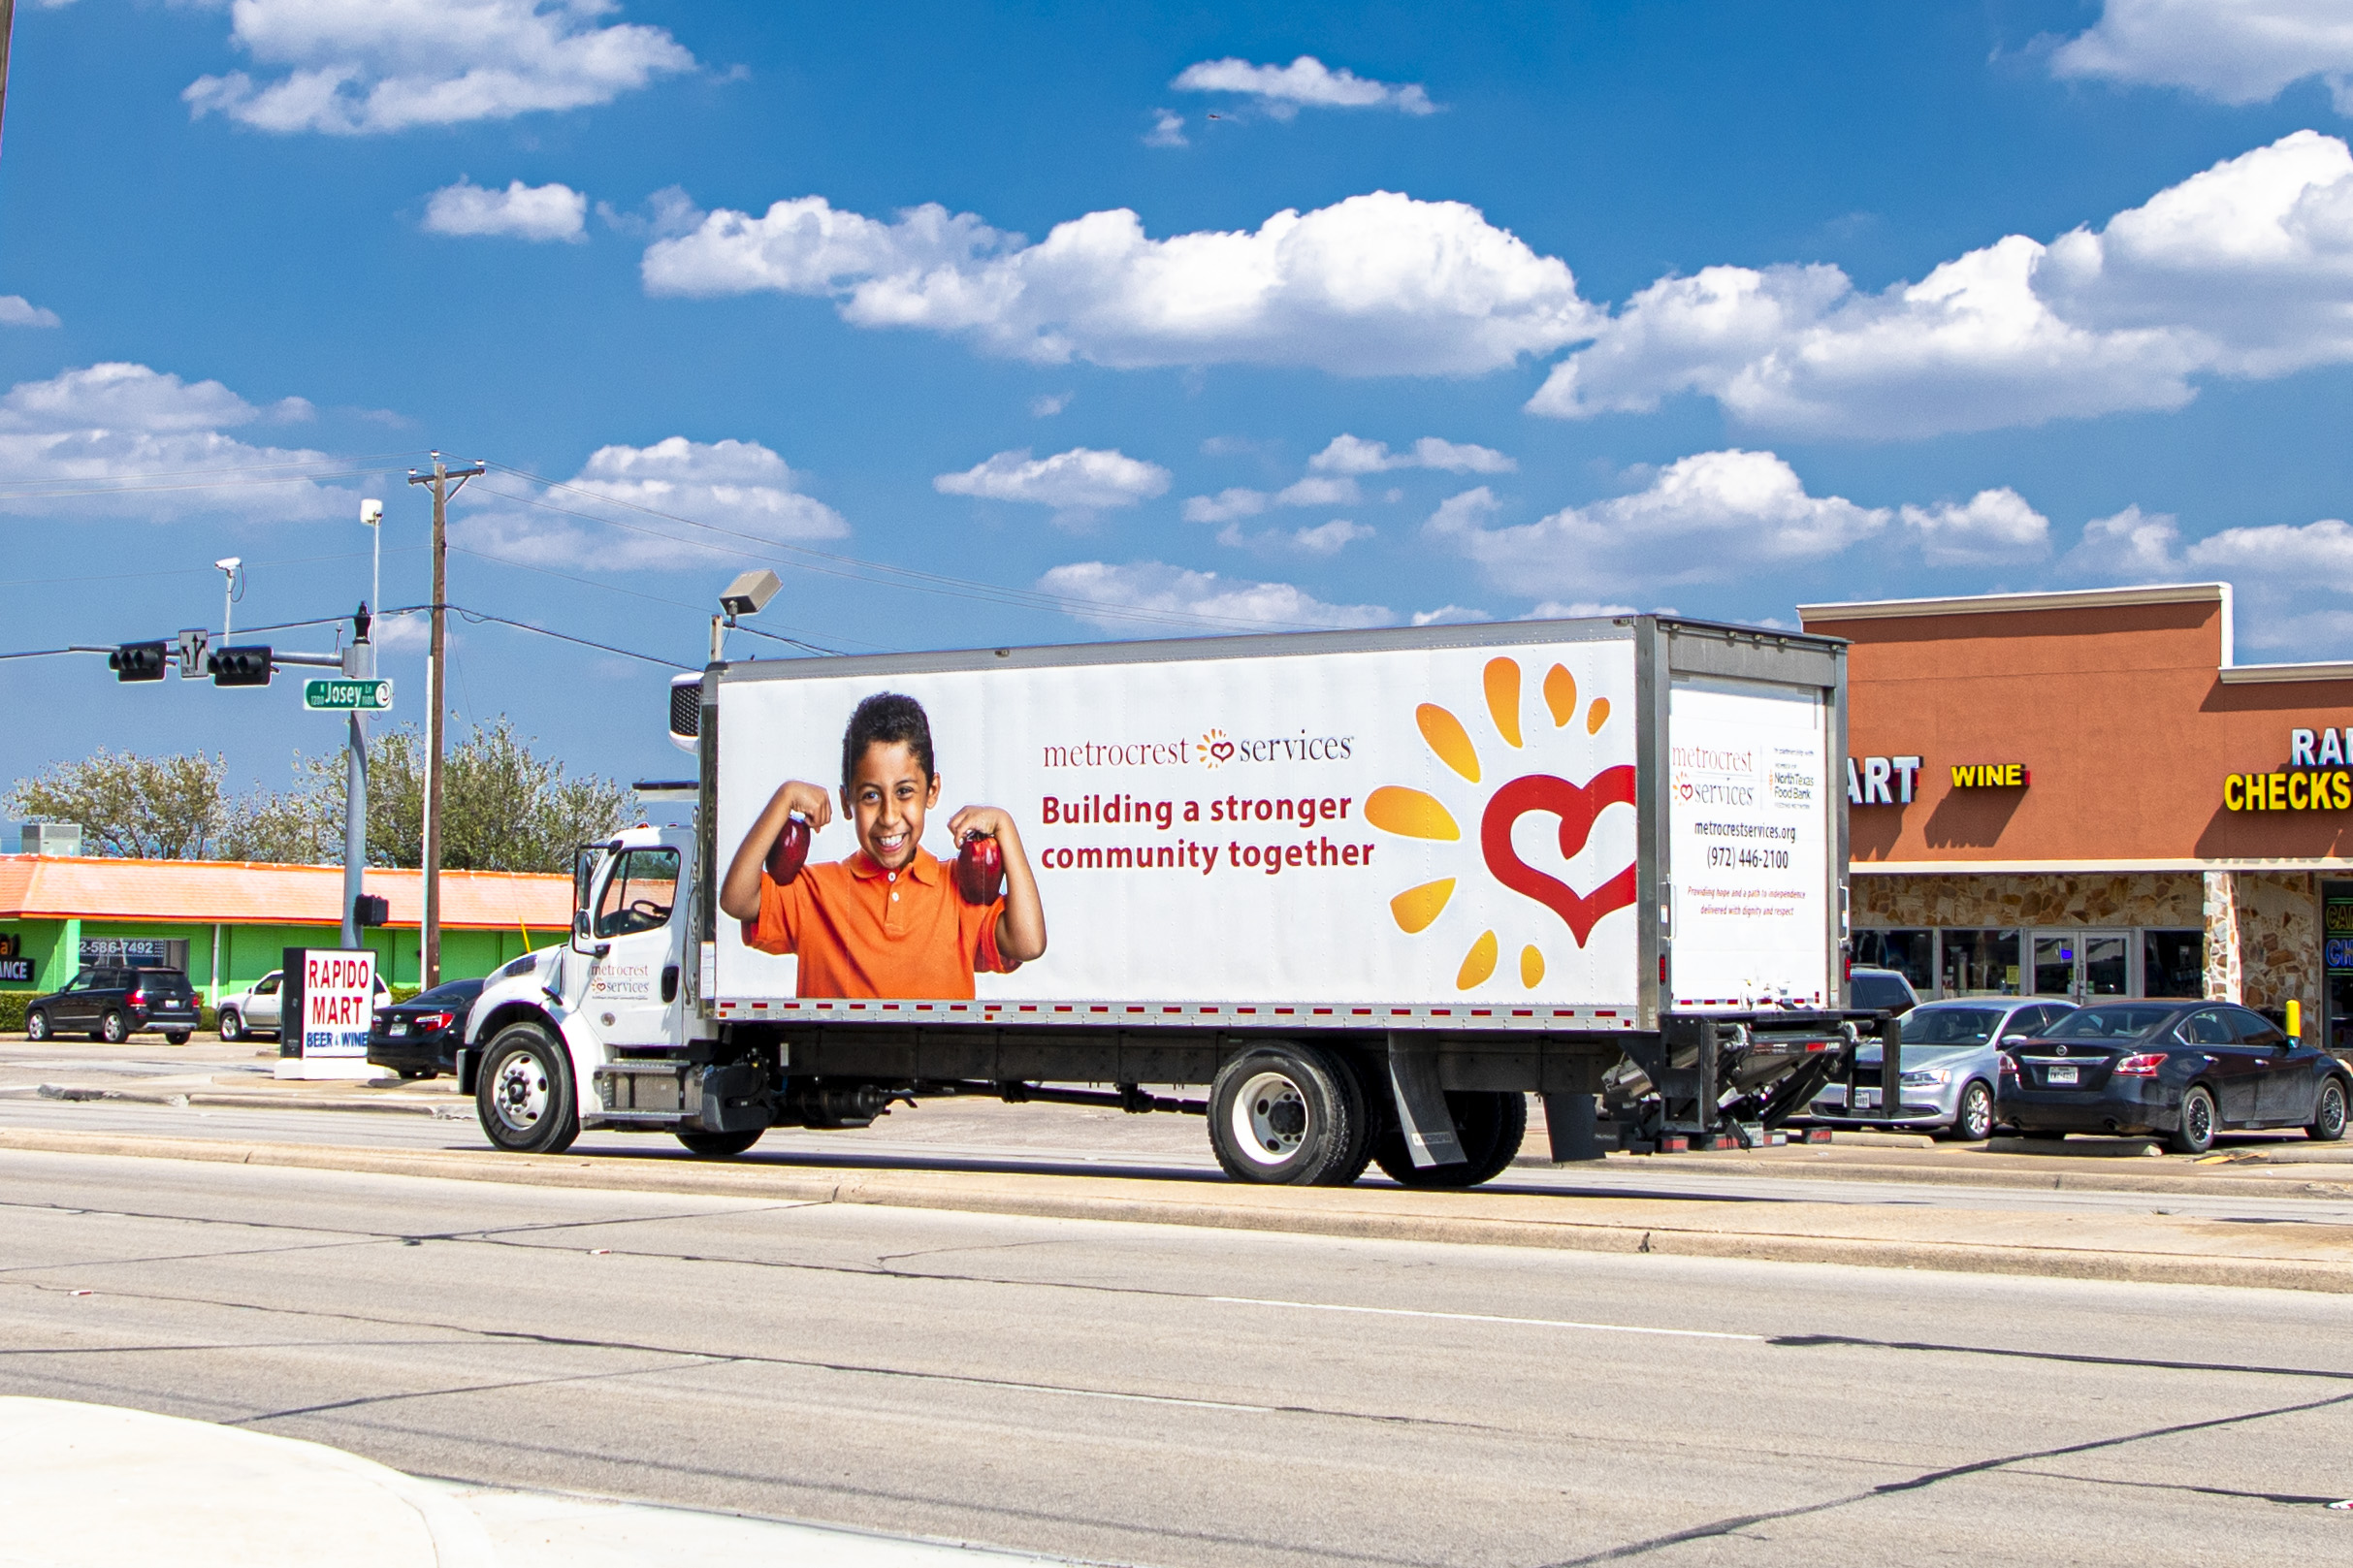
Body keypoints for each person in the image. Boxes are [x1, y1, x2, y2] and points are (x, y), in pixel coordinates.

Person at [719, 691, 1046, 999]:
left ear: (931, 791)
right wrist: (784, 798)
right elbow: (736, 900)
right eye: (870, 796)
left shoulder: (959, 890)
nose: (889, 817)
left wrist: (1006, 827)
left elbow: (1028, 943)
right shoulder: (815, 893)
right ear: (847, 803)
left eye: (904, 791)